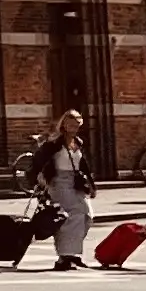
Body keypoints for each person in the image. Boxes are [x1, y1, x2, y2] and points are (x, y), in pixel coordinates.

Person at [26, 109, 93, 270]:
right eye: (70, 125)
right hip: (59, 183)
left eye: (77, 125)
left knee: (86, 215)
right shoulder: (54, 143)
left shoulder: (78, 142)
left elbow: (83, 166)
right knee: (67, 218)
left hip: (75, 183)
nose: (74, 128)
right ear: (64, 125)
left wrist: (91, 185)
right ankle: (66, 256)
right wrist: (39, 181)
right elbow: (38, 162)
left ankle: (71, 254)